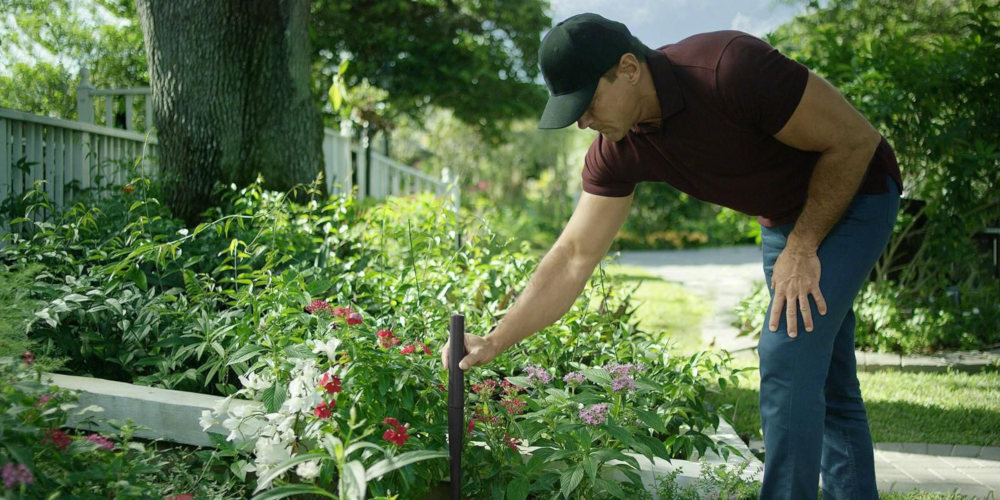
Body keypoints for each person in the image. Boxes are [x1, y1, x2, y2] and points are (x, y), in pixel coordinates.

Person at [441, 12, 901, 500]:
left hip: (855, 192)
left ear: (629, 68)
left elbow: (855, 140)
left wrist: (803, 245)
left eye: (588, 102)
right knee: (827, 378)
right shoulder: (617, 149)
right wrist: (494, 341)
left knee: (787, 353)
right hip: (785, 220)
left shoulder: (729, 69)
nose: (583, 121)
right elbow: (575, 254)